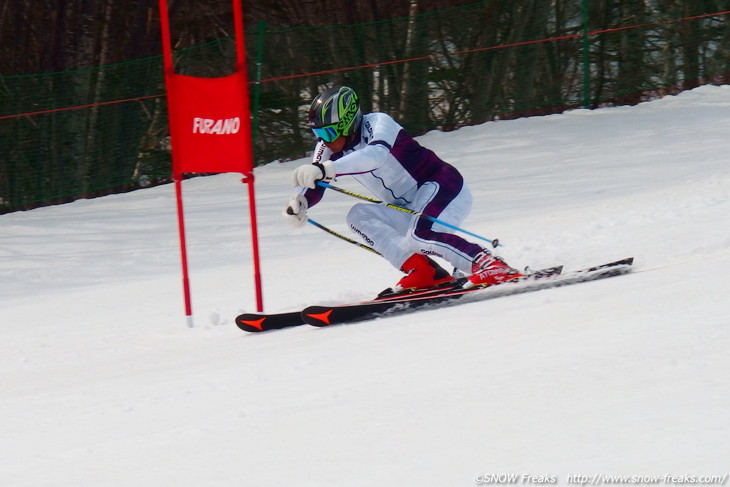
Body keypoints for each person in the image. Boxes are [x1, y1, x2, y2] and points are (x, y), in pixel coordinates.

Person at [283, 85, 521, 291]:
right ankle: (425, 272)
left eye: (327, 131)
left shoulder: (378, 123)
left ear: (348, 123)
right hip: (407, 207)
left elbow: (374, 155)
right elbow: (316, 181)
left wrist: (325, 169)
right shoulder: (329, 148)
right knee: (358, 215)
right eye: (317, 133)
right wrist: (301, 202)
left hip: (442, 187)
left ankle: (489, 264)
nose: (323, 140)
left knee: (420, 234)